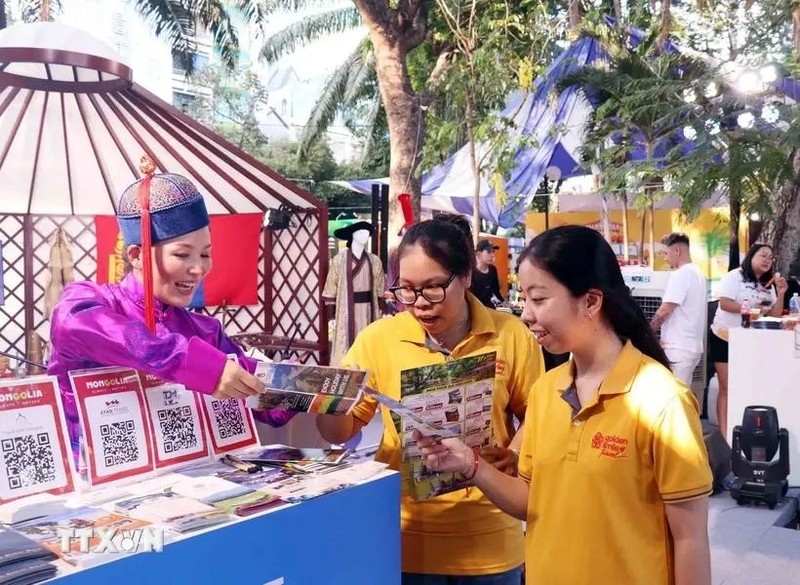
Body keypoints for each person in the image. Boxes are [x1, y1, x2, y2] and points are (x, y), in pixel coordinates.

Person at [415, 225, 712, 585]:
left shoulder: (662, 401)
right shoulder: (546, 392)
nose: (526, 314)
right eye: (523, 299)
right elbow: (529, 500)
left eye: (539, 299)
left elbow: (689, 538)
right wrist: (469, 464)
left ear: (590, 301)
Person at [317, 214, 544, 584]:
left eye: (434, 287)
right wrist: (330, 399)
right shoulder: (379, 339)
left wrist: (516, 452)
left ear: (467, 276)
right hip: (404, 535)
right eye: (406, 289)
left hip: (489, 537)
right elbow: (336, 432)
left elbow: (537, 410)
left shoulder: (511, 335)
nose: (419, 302)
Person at [49, 160, 295, 461]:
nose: (197, 269)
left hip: (191, 482)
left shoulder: (205, 331)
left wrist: (304, 387)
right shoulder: (86, 303)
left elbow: (258, 396)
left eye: (205, 254)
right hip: (91, 485)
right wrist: (197, 365)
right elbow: (75, 326)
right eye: (182, 254)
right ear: (137, 255)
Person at [709, 243, 788, 436]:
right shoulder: (735, 276)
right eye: (763, 255)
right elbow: (725, 303)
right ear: (751, 256)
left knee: (746, 385)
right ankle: (725, 434)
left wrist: (782, 293)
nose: (767, 260)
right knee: (726, 387)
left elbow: (775, 315)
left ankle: (744, 429)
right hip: (724, 337)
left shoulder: (767, 284)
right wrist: (753, 310)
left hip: (750, 343)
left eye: (770, 258)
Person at [650, 233, 708, 397]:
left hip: (678, 347)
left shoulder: (681, 274)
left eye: (666, 253)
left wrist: (646, 332)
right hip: (691, 347)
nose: (665, 259)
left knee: (673, 398)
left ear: (676, 250)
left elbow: (665, 309)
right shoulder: (699, 275)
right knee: (682, 395)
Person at [323, 221, 385, 365]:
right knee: (346, 344)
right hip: (346, 309)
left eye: (366, 232)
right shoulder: (339, 260)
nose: (364, 235)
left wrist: (381, 309)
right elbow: (331, 287)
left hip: (369, 309)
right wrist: (331, 316)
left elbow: (380, 288)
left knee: (368, 341)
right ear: (353, 235)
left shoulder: (374, 261)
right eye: (360, 232)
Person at [469, 239, 504, 308]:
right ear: (478, 254)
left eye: (493, 252)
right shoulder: (471, 271)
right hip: (475, 309)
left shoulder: (493, 270)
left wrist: (504, 302)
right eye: (488, 252)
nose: (492, 255)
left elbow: (496, 291)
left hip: (490, 308)